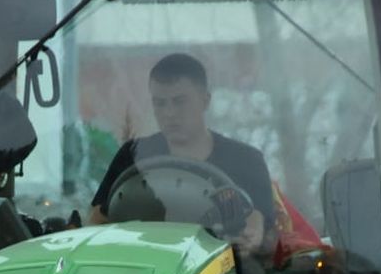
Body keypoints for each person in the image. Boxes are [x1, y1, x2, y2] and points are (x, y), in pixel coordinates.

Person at [89, 53, 275, 255]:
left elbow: (266, 231)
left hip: (225, 273)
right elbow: (97, 219)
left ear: (205, 101)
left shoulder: (247, 161)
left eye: (179, 102)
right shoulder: (133, 156)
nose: (169, 113)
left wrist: (254, 232)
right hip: (145, 266)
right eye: (160, 103)